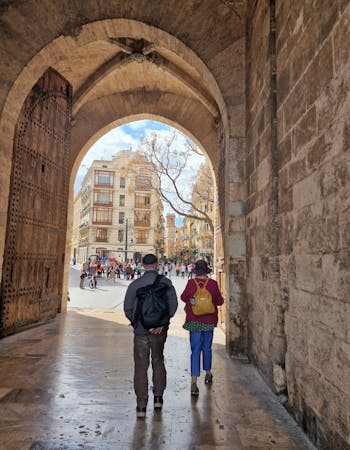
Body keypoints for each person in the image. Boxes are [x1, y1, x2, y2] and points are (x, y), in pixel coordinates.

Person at [124, 253, 178, 419]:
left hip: (141, 332)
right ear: (157, 264)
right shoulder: (166, 283)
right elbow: (173, 306)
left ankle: (141, 406)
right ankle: (158, 398)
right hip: (159, 332)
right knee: (158, 360)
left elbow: (128, 309)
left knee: (141, 366)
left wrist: (139, 324)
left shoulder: (135, 285)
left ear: (142, 264)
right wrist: (161, 323)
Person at [180, 259, 224, 396]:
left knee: (195, 350)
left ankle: (193, 382)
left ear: (195, 271)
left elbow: (183, 298)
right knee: (207, 347)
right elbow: (220, 301)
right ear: (206, 271)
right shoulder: (213, 284)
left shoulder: (190, 284)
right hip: (209, 321)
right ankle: (208, 373)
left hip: (194, 320)